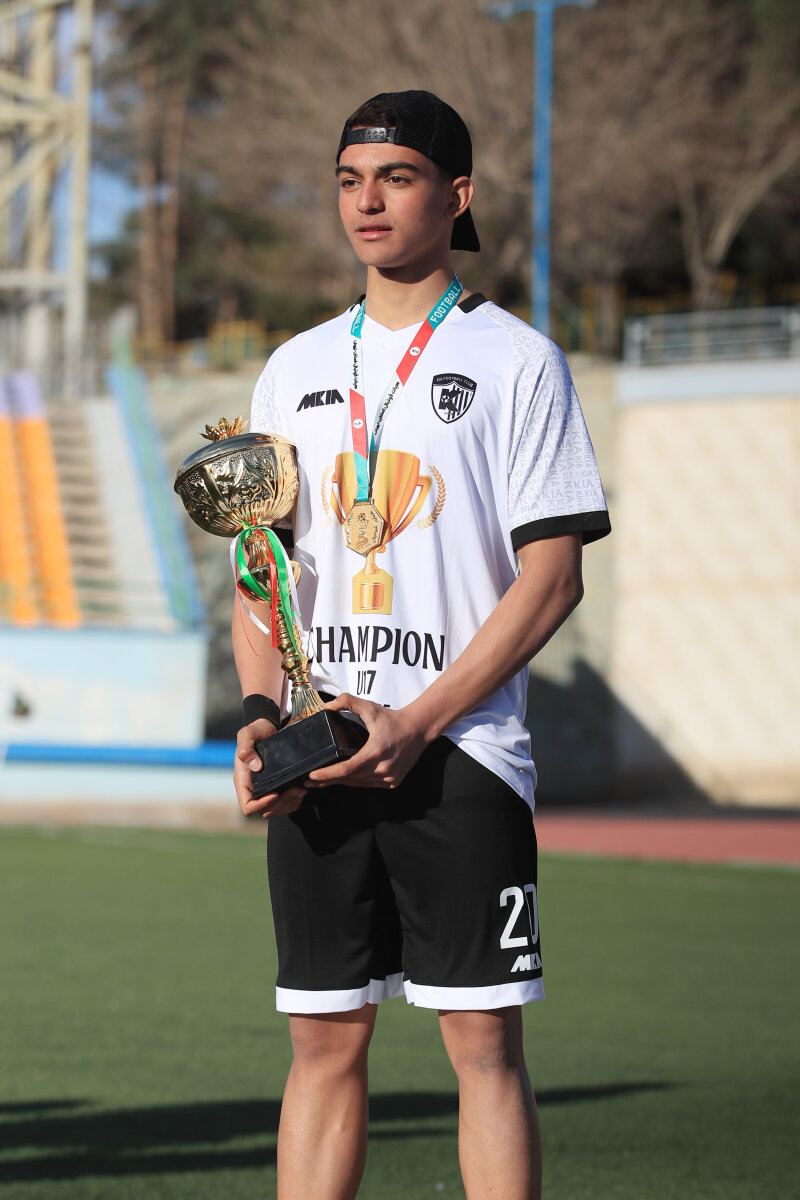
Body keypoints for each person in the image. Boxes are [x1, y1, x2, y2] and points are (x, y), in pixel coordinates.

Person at [232, 89, 610, 1200]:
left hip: (461, 753)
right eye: (350, 181)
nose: (368, 202)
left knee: (482, 1047)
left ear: (456, 195)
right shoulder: (291, 368)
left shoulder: (518, 361)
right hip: (320, 751)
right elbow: (262, 574)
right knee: (321, 1041)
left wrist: (419, 720)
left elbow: (553, 578)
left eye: (395, 178)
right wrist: (261, 717)